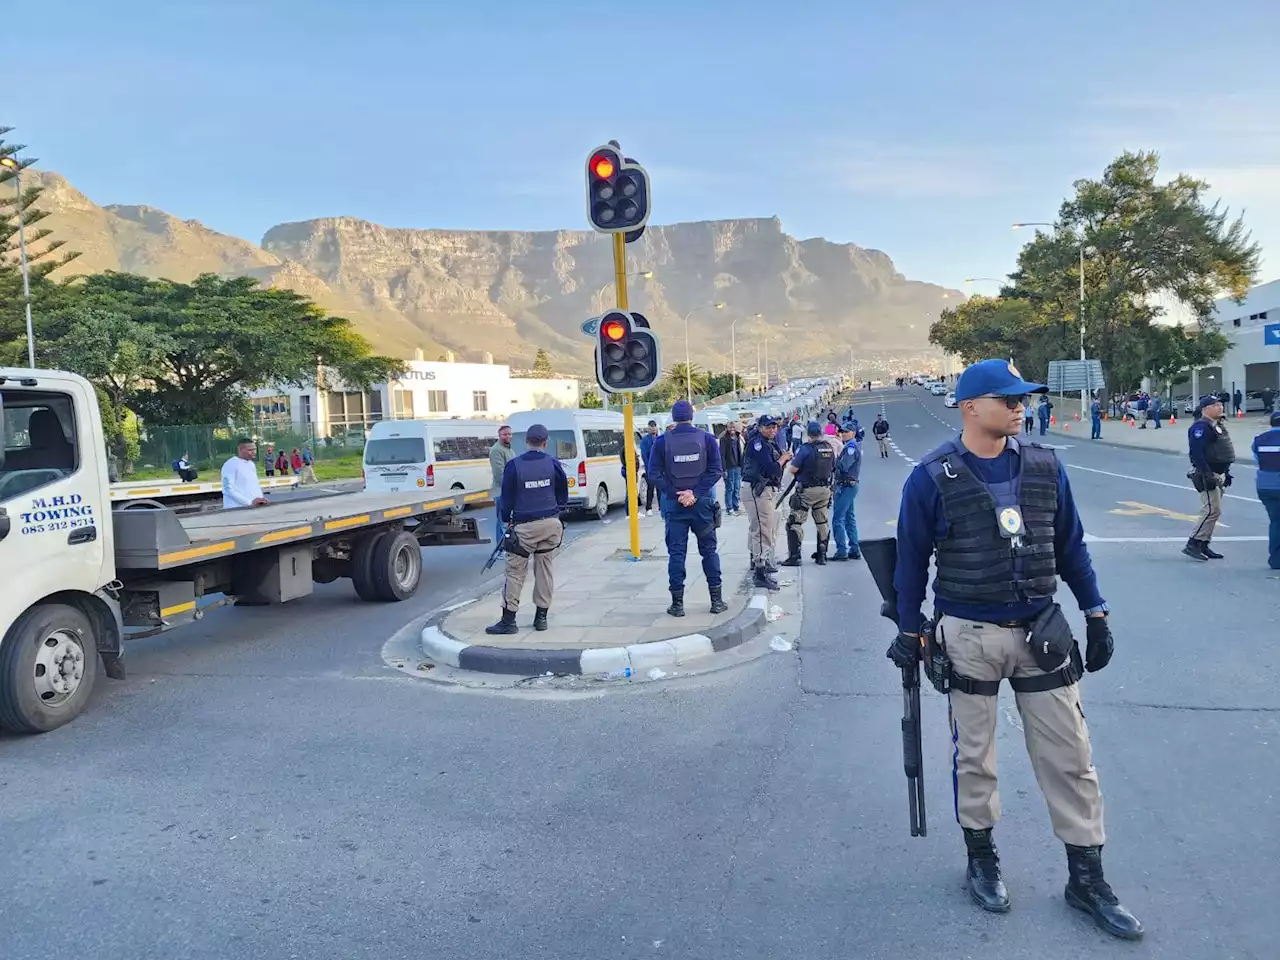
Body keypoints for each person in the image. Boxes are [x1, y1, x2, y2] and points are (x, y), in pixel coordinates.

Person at [886, 358, 1141, 941]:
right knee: (975, 757)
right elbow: (910, 562)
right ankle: (982, 860)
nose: (1021, 405)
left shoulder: (1047, 468)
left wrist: (1096, 612)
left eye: (1023, 397)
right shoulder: (931, 477)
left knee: (1071, 756)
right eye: (1008, 398)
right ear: (971, 406)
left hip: (1043, 632)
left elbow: (1071, 545)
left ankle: (1087, 878)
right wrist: (910, 629)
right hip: (969, 634)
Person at [646, 400, 726, 617]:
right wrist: (696, 493)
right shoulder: (707, 439)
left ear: (673, 417)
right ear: (692, 416)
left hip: (675, 507)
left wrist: (676, 494)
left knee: (676, 554)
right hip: (702, 507)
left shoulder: (662, 442)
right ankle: (716, 601)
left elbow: (653, 474)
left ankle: (677, 605)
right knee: (709, 552)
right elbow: (716, 470)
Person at [486, 424, 569, 635]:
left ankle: (509, 621)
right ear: (545, 442)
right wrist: (555, 511)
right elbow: (563, 494)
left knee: (515, 573)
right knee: (545, 570)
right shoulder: (553, 463)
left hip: (524, 527)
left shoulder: (514, 465)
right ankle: (541, 619)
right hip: (551, 525)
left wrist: (506, 520)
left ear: (526, 442)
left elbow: (507, 499)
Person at [742, 414, 791, 589]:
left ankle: (760, 562)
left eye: (774, 427)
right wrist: (783, 459)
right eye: (768, 427)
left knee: (762, 528)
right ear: (760, 427)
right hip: (758, 490)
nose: (772, 430)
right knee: (763, 530)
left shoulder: (768, 442)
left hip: (765, 490)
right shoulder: (758, 444)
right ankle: (760, 571)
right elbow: (770, 468)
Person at [1184, 395, 1235, 561]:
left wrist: (1226, 473)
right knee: (1211, 510)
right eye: (1216, 405)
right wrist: (1207, 474)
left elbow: (1220, 451)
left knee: (1214, 512)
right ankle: (1193, 543)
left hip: (1218, 473)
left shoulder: (1216, 425)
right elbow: (1197, 454)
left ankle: (1204, 544)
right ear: (1206, 409)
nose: (1220, 407)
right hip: (1207, 474)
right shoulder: (1201, 427)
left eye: (1220, 404)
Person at [780, 421, 834, 566]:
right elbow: (833, 468)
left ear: (808, 434)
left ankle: (795, 556)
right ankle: (822, 555)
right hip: (825, 490)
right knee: (822, 521)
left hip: (808, 490)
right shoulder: (828, 448)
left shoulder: (805, 449)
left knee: (794, 522)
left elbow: (792, 470)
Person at [829, 423, 861, 561]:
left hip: (846, 486)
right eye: (842, 431)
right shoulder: (849, 446)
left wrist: (832, 460)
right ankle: (854, 548)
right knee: (849, 518)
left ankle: (841, 550)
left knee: (838, 519)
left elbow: (844, 465)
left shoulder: (851, 447)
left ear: (853, 433)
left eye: (846, 432)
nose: (843, 434)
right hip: (848, 486)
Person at [1253, 411, 1280, 570]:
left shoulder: (1259, 439)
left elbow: (1258, 459)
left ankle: (1275, 559)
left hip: (1265, 486)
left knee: (1275, 521)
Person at [221, 438, 270, 509]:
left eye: (254, 449)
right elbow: (228, 490)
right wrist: (249, 502)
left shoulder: (251, 464)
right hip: (236, 510)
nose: (254, 452)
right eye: (250, 450)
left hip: (253, 509)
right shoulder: (230, 464)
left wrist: (261, 499)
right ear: (240, 450)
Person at [489, 424, 515, 543]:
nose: (508, 436)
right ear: (499, 435)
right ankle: (500, 548)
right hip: (501, 491)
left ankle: (507, 545)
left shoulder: (509, 449)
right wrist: (510, 488)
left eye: (509, 434)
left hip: (509, 490)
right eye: (505, 434)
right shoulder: (496, 450)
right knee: (502, 521)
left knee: (508, 520)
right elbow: (499, 474)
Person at [719, 421, 744, 515]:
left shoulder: (738, 437)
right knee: (730, 487)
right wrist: (723, 469)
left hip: (737, 465)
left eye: (733, 428)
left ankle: (735, 506)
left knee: (737, 487)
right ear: (727, 428)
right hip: (729, 466)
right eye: (730, 428)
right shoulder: (724, 439)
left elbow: (740, 451)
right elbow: (721, 455)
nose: (732, 430)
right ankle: (729, 507)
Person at [640, 421, 660, 516]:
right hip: (650, 468)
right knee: (650, 488)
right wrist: (650, 468)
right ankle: (648, 508)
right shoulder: (645, 441)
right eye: (651, 427)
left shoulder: (659, 438)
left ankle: (661, 507)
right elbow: (645, 456)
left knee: (661, 488)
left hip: (660, 468)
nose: (653, 428)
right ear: (648, 428)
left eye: (654, 426)